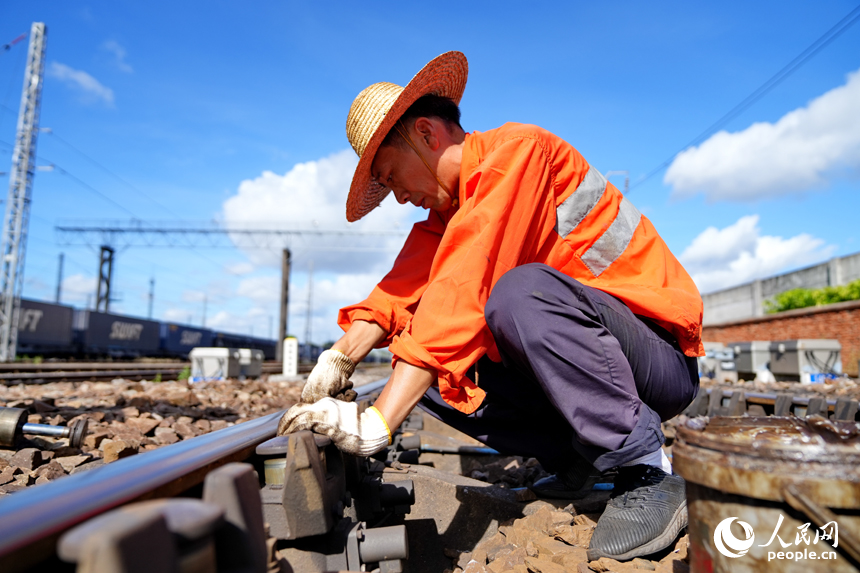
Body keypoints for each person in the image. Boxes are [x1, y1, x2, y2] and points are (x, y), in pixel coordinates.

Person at [278, 51, 703, 562]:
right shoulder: (446, 214)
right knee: (421, 364)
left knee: (517, 295)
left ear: (425, 134)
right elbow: (399, 296)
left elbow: (465, 281)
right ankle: (581, 460)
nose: (397, 197)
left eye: (391, 177)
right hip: (600, 358)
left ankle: (645, 468)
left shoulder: (518, 153)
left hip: (656, 359)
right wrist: (339, 359)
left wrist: (378, 423)